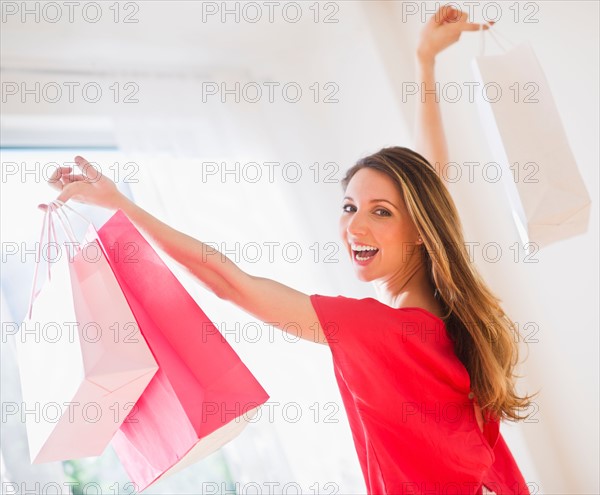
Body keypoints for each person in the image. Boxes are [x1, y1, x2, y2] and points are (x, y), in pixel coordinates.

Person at [43, 5, 536, 494]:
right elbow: (434, 178)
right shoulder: (450, 324)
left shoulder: (376, 330)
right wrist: (425, 62)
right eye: (349, 207)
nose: (355, 227)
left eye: (380, 211)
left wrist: (121, 205)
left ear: (420, 229)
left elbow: (229, 282)